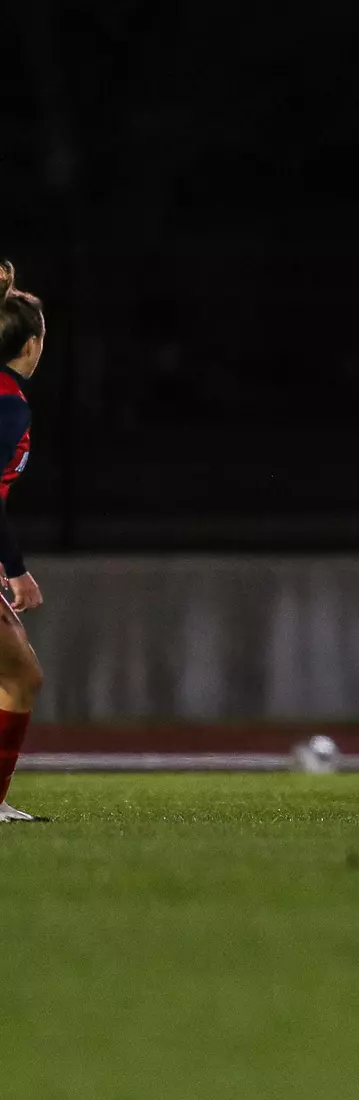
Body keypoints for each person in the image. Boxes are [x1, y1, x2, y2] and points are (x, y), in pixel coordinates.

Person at [0, 262, 47, 823]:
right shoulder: (8, 403)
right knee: (19, 675)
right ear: (31, 343)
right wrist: (18, 570)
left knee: (20, 673)